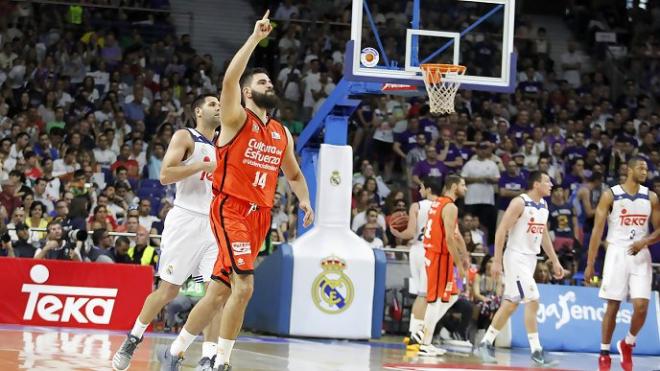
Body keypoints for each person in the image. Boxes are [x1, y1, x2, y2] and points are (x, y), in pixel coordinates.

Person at [160, 11, 314, 371]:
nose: (269, 85)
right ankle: (220, 362)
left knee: (220, 292)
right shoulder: (235, 118)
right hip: (231, 209)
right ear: (248, 93)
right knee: (244, 287)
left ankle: (176, 351)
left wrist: (304, 199)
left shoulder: (281, 132)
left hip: (260, 215)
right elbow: (229, 79)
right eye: (263, 82)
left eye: (270, 82)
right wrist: (254, 40)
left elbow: (292, 174)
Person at [112, 94, 223, 371]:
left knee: (217, 294)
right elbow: (165, 175)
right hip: (185, 218)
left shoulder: (224, 143)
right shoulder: (186, 136)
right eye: (212, 104)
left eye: (220, 103)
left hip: (213, 224)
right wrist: (201, 165)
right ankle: (133, 337)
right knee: (167, 292)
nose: (218, 106)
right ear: (198, 111)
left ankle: (209, 358)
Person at [476, 171, 564, 366]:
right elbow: (501, 231)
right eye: (547, 182)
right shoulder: (519, 203)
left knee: (510, 304)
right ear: (535, 184)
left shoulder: (543, 205)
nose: (551, 185)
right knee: (533, 300)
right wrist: (497, 261)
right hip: (515, 257)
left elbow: (544, 236)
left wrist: (555, 261)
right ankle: (536, 350)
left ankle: (485, 343)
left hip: (530, 258)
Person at [585, 157, 658, 371]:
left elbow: (659, 229)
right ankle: (605, 352)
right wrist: (590, 264)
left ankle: (628, 343)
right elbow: (597, 232)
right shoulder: (611, 195)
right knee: (613, 305)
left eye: (646, 168)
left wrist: (645, 241)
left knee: (642, 306)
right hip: (617, 252)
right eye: (641, 168)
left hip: (640, 253)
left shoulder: (651, 197)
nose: (645, 171)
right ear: (629, 170)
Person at [417, 175, 470, 356]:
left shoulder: (437, 203)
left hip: (436, 255)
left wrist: (464, 254)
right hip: (439, 256)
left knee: (453, 295)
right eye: (463, 185)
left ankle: (423, 330)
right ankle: (425, 342)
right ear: (454, 186)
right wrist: (460, 266)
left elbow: (453, 234)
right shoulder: (450, 207)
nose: (466, 188)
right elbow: (448, 237)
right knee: (436, 300)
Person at [389, 177, 443, 349]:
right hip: (430, 251)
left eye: (421, 187)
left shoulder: (417, 206)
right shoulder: (444, 206)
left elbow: (410, 233)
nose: (419, 190)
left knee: (421, 294)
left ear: (428, 189)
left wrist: (395, 232)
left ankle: (412, 333)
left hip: (416, 251)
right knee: (425, 295)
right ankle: (415, 336)